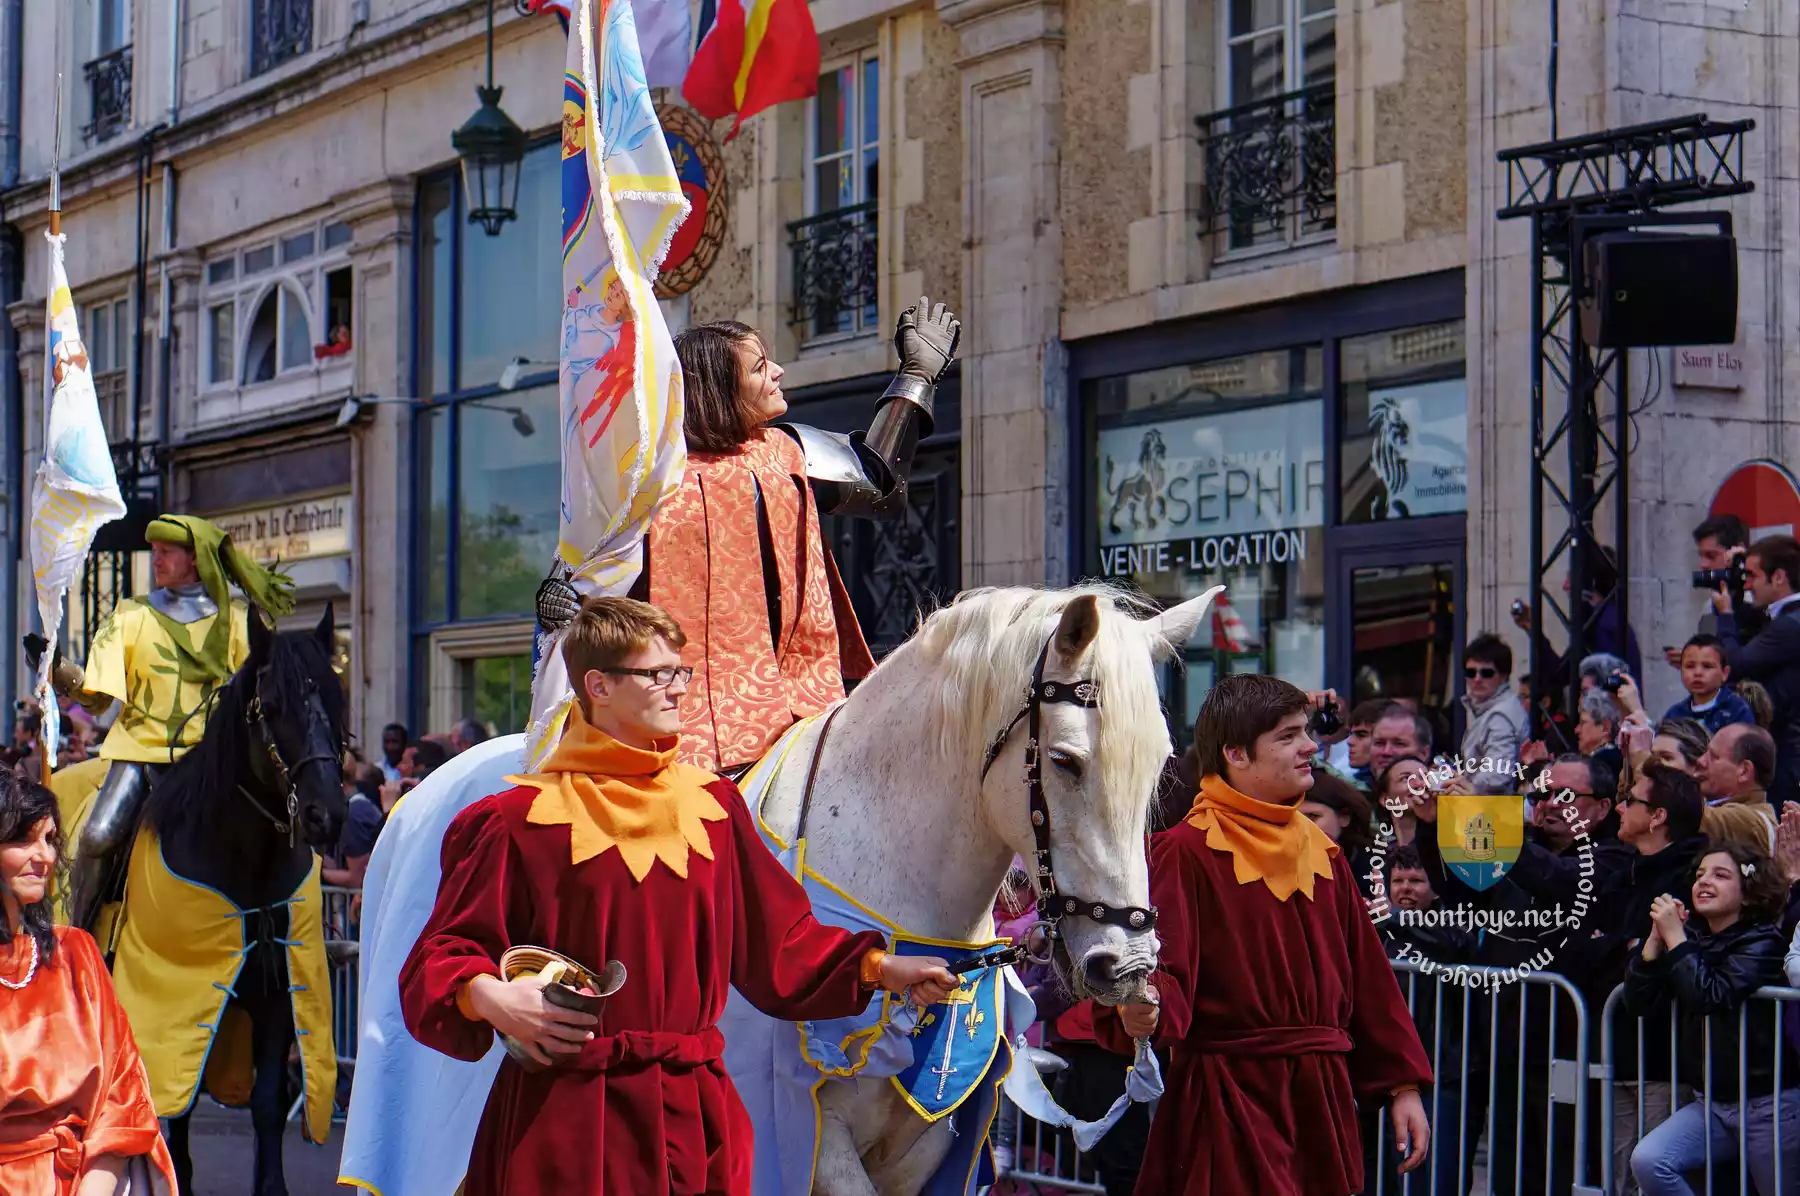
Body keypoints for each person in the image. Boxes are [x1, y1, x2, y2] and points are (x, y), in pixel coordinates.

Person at [399, 597, 956, 1194]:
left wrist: (879, 966)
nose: (679, 689)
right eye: (656, 674)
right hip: (565, 1124)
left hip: (694, 1120)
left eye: (680, 671)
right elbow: (440, 954)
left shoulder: (714, 807)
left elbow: (780, 941)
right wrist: (492, 998)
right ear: (599, 686)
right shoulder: (515, 820)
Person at [545, 299, 961, 775]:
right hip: (672, 712)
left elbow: (879, 484)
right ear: (717, 388)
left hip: (802, 706)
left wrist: (916, 375)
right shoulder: (646, 476)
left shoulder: (789, 450)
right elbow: (589, 572)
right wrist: (560, 598)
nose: (779, 372)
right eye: (761, 367)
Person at [1097, 674, 1432, 1195]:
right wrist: (1145, 1007)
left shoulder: (1325, 853)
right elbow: (1162, 972)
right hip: (1228, 1098)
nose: (1309, 747)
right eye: (1287, 736)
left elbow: (1370, 982)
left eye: (1305, 732)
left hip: (1319, 1100)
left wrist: (1402, 1085)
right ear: (1236, 753)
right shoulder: (1183, 851)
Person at [28, 514, 293, 929]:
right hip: (140, 753)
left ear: (196, 559)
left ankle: (291, 931)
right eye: (154, 551)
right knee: (98, 835)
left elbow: (256, 696)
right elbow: (98, 698)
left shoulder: (240, 621)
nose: (157, 559)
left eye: (167, 552)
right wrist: (57, 667)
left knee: (284, 822)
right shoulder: (131, 615)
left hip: (214, 759)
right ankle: (77, 935)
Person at [0, 770, 177, 1194]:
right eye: (24, 839)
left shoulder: (76, 954)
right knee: (100, 833)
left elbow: (123, 1097)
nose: (43, 856)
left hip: (81, 1181)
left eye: (50, 840)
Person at [1626, 843, 1794, 1196]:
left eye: (1720, 875)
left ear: (1748, 893)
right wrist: (1654, 946)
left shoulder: (1764, 942)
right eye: (1700, 874)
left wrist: (1676, 938)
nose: (1704, 882)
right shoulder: (1694, 941)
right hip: (1711, 1103)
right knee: (1651, 1160)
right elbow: (1638, 1003)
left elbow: (1711, 995)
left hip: (1769, 1106)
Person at [1605, 760, 1709, 1195]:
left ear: (1658, 816)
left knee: (1653, 1175)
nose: (1618, 809)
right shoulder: (1628, 870)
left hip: (1665, 1061)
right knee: (1620, 1179)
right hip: (1623, 1053)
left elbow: (1667, 967)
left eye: (1630, 801)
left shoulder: (1687, 879)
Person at [1714, 533, 1800, 808]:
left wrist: (1725, 615)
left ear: (1778, 577)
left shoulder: (1789, 626)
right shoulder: (1784, 619)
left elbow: (1736, 665)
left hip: (1789, 748)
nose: (1748, 585)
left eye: (1752, 575)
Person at [1696, 721, 1780, 855]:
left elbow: (1687, 815)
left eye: (1713, 756)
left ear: (1744, 771)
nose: (1700, 760)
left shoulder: (1755, 822)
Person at [1460, 632, 1529, 784]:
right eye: (1471, 672)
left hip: (1496, 805)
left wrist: (1465, 787)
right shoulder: (1494, 710)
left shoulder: (1500, 716)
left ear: (1503, 676)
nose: (1477, 679)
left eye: (1486, 673)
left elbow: (1498, 774)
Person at [1662, 635, 1755, 735]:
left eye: (1707, 666)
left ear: (1724, 673)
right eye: (1690, 666)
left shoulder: (1737, 711)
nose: (1697, 673)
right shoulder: (1675, 715)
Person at [1370, 705, 1434, 779]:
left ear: (1423, 753)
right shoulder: (1355, 786)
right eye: (1379, 743)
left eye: (1399, 744)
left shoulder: (1443, 788)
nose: (1386, 752)